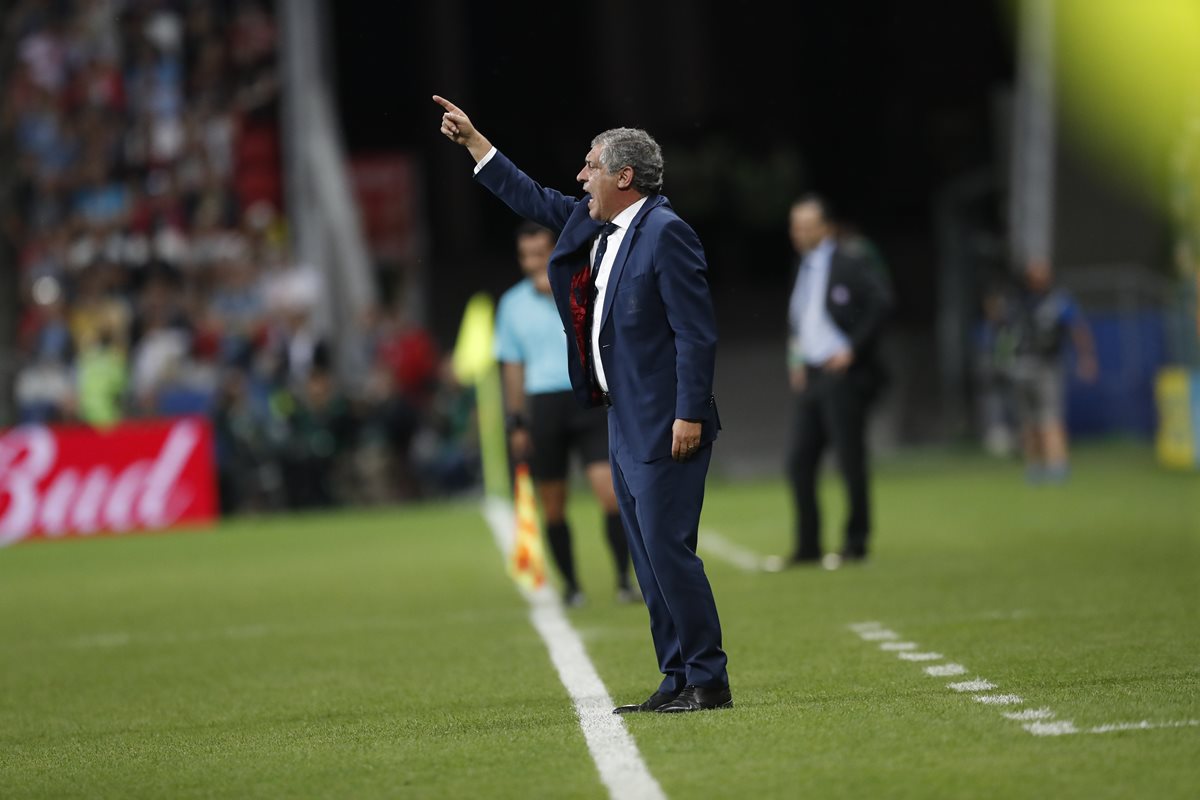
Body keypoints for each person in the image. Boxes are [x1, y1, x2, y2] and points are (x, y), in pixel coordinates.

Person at [434, 95, 730, 714]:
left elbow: (696, 332)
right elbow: (532, 198)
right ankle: (675, 676)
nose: (580, 176)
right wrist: (475, 143)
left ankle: (708, 679)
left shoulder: (666, 232)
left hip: (664, 419)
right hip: (620, 415)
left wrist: (690, 411)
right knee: (646, 556)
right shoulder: (597, 226)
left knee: (668, 551)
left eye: (590, 166)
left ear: (624, 176)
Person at [495, 221, 637, 606]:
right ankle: (572, 586)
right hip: (544, 406)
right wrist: (516, 420)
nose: (533, 263)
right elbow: (512, 366)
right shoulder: (511, 305)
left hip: (586, 399)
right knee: (553, 504)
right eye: (526, 256)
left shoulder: (580, 289)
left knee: (610, 494)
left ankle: (624, 580)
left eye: (540, 254)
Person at [784, 195, 892, 568]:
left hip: (842, 375)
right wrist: (796, 361)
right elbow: (800, 319)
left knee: (849, 460)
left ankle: (856, 542)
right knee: (799, 462)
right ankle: (808, 547)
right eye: (795, 226)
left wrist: (852, 349)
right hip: (812, 374)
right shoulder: (802, 266)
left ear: (826, 228)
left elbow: (881, 303)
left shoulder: (850, 261)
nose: (797, 233)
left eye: (805, 226)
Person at [1010, 258, 1098, 483]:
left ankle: (1057, 465)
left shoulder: (1058, 300)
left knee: (1050, 416)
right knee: (1028, 420)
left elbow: (1078, 328)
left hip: (1047, 366)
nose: (1038, 275)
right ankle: (1034, 466)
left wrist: (1086, 358)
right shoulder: (1019, 300)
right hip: (1022, 366)